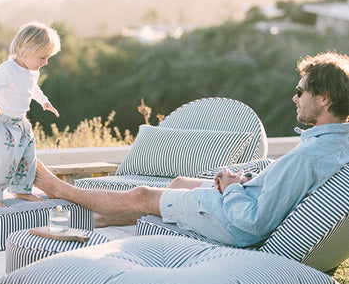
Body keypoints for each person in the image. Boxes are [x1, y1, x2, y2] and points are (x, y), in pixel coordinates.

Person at [35, 51, 349, 247]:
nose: (294, 98)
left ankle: (59, 189)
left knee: (142, 195)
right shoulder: (334, 145)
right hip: (241, 199)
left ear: (323, 99)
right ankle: (96, 222)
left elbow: (254, 222)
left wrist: (231, 189)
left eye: (300, 91)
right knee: (179, 184)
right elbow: (279, 188)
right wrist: (242, 181)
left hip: (232, 222)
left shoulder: (309, 157)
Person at [0, 21, 61, 207]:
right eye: (43, 57)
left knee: (27, 157)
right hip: (1, 121)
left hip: (20, 122)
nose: (46, 62)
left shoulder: (32, 71)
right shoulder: (7, 70)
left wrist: (44, 102)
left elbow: (33, 88)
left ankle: (22, 190)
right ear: (25, 52)